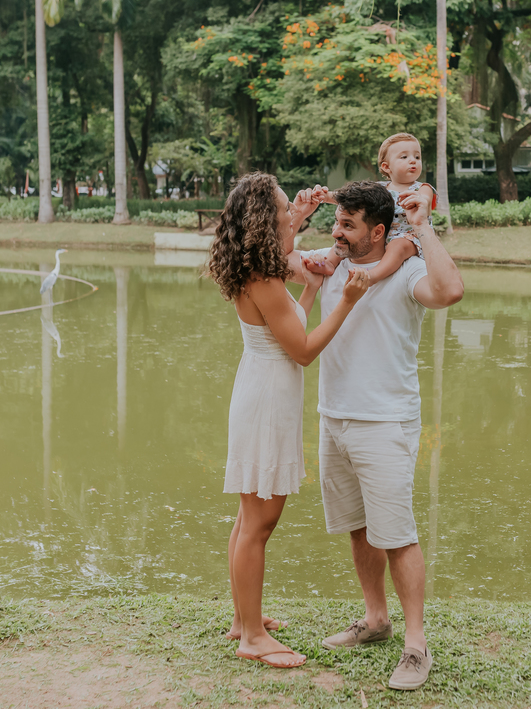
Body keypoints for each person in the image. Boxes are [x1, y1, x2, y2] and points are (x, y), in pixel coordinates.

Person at [292, 180, 464, 691]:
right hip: (334, 416)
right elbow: (275, 261)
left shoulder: (407, 270)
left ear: (380, 231)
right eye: (336, 222)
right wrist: (299, 215)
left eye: (348, 224)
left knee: (398, 534)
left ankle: (415, 645)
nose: (337, 231)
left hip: (386, 422)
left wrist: (424, 229)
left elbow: (450, 291)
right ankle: (375, 620)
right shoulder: (332, 260)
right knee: (358, 526)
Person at [206, 172, 371, 670]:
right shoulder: (264, 276)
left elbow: (287, 326)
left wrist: (314, 289)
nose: (289, 214)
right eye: (282, 210)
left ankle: (243, 619)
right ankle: (252, 637)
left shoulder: (261, 269)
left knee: (248, 518)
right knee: (260, 521)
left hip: (262, 392)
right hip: (266, 400)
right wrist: (344, 301)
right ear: (264, 218)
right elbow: (301, 351)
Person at [305, 133, 433, 284]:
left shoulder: (422, 188)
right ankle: (329, 263)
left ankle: (372, 276)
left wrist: (420, 200)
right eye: (404, 157)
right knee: (348, 236)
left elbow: (425, 199)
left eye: (417, 157)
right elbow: (351, 198)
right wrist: (326, 196)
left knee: (398, 246)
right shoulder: (380, 187)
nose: (413, 160)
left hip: (409, 236)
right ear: (386, 166)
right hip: (381, 234)